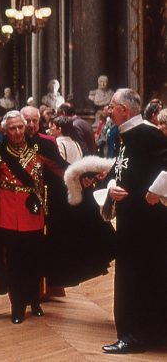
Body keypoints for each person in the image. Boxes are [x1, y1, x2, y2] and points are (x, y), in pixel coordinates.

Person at [0, 111, 66, 324]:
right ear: (5, 130)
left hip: (33, 212)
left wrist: (84, 176)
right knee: (14, 262)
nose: (17, 132)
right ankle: (17, 305)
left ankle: (34, 301)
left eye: (20, 127)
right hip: (8, 213)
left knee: (34, 259)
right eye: (12, 128)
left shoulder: (39, 149)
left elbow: (61, 170)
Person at [99, 88, 167, 354]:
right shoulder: (124, 135)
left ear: (124, 110)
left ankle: (137, 335)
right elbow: (121, 169)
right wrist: (113, 185)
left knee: (142, 277)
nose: (108, 110)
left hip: (149, 223)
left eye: (112, 106)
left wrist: (154, 193)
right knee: (132, 275)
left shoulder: (148, 133)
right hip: (130, 221)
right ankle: (138, 332)